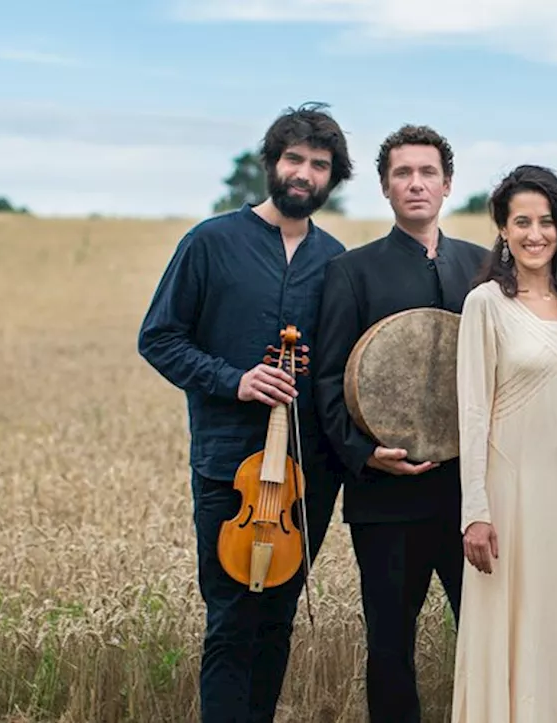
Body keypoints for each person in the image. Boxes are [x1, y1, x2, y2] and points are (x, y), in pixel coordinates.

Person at [138, 102, 353, 722]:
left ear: (331, 178)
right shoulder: (210, 243)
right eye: (294, 159)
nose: (304, 173)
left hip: (303, 478)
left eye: (319, 165)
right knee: (231, 622)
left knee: (278, 620)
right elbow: (160, 338)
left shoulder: (334, 259)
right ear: (272, 163)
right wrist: (235, 381)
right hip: (229, 467)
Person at [312, 124, 489, 723]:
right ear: (386, 188)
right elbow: (325, 381)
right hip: (385, 501)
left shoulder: (486, 266)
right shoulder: (351, 272)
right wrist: (362, 454)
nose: (416, 184)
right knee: (390, 646)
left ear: (447, 185)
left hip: (472, 498)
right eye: (402, 174)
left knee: (486, 638)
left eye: (428, 173)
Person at [451, 164, 557, 722]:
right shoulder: (485, 305)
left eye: (546, 222)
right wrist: (474, 510)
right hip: (510, 498)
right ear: (502, 228)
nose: (534, 234)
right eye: (521, 221)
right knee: (515, 628)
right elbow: (473, 413)